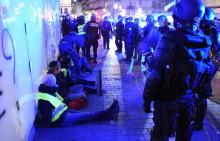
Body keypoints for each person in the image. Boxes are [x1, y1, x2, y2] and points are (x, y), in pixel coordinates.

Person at [143, 0, 214, 141]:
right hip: (188, 99)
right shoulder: (203, 41)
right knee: (184, 132)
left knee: (160, 134)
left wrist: (146, 100)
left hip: (166, 100)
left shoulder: (169, 38)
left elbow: (155, 76)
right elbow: (207, 73)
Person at [35, 74, 119, 127]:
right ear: (50, 85)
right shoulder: (43, 100)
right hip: (62, 120)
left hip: (65, 112)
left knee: (87, 115)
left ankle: (110, 115)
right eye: (54, 84)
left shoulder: (49, 92)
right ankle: (109, 112)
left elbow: (60, 102)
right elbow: (47, 118)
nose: (55, 85)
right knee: (87, 115)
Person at [192, 7, 220, 131]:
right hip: (202, 63)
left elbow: (214, 48)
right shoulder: (202, 29)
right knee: (197, 89)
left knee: (202, 91)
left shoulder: (213, 30)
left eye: (200, 17)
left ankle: (198, 123)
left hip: (209, 64)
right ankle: (195, 118)